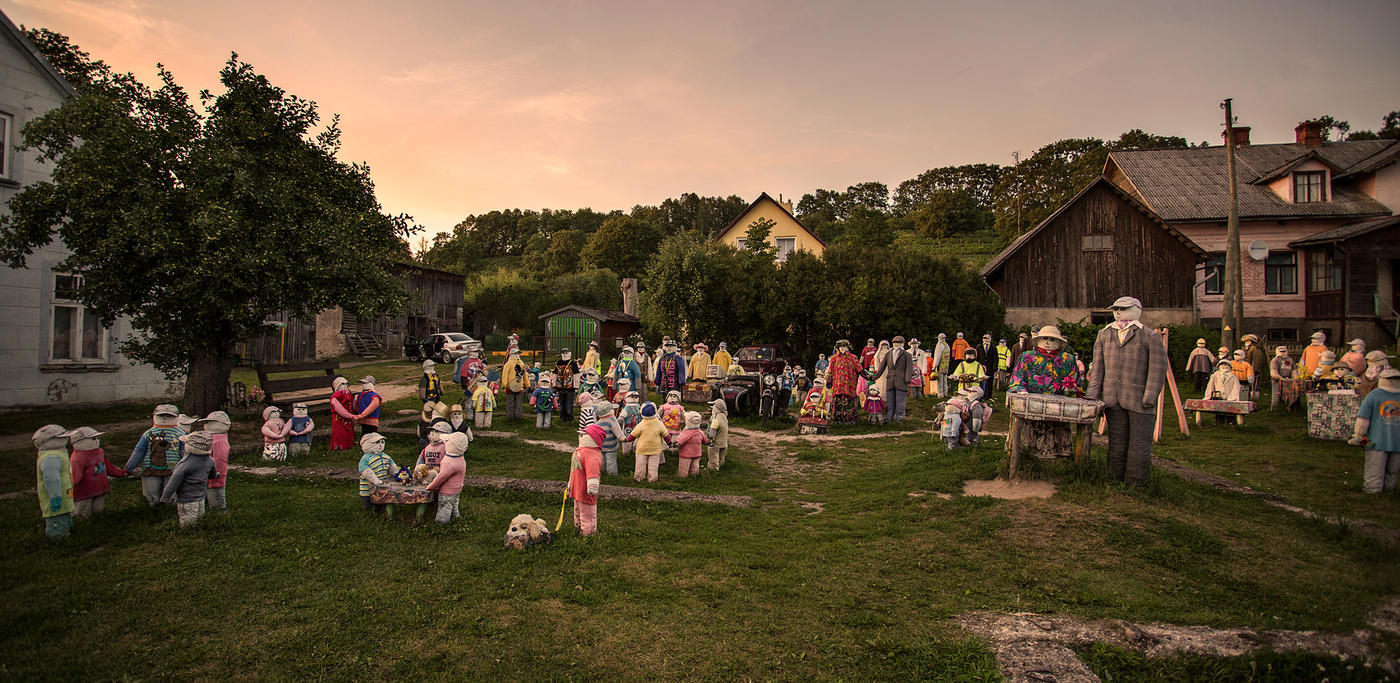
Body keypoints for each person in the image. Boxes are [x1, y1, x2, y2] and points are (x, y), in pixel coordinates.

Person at [1085, 296, 1167, 486]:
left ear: (1136, 310)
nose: (1118, 313)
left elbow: (1157, 369)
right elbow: (1097, 369)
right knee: (1116, 443)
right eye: (1116, 309)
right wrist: (1092, 396)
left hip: (1139, 400)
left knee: (1139, 445)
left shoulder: (1149, 336)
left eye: (1123, 309)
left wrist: (1150, 396)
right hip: (1113, 400)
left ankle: (1136, 484)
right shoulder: (1104, 334)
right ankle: (1113, 480)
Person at [1350, 367, 1400, 494]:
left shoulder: (1374, 395)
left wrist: (1359, 435)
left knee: (1374, 467)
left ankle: (1373, 489)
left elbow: (1363, 418)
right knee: (1392, 470)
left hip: (1377, 440)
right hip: (1397, 442)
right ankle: (1389, 489)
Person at [125, 404, 184, 506]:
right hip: (154, 468)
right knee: (154, 490)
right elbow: (138, 451)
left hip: (171, 469)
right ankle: (154, 504)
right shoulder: (180, 433)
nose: (165, 418)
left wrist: (129, 468)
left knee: (168, 489)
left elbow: (138, 451)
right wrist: (130, 467)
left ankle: (165, 505)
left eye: (169, 416)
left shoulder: (180, 434)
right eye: (162, 416)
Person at [160, 432, 219, 528]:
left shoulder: (184, 464)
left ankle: (188, 538)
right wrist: (216, 475)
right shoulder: (210, 460)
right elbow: (212, 475)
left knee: (188, 524)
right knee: (200, 520)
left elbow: (173, 484)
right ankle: (201, 536)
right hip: (201, 497)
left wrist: (164, 498)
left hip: (187, 499)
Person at [68, 427, 125, 518]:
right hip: (84, 493)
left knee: (98, 512)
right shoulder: (77, 458)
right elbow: (74, 478)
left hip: (100, 488)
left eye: (98, 438)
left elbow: (108, 467)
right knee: (82, 514)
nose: (96, 440)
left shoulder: (99, 452)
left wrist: (121, 473)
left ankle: (97, 525)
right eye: (93, 438)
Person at [33, 425, 75, 539]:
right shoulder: (51, 458)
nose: (65, 439)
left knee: (64, 515)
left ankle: (67, 532)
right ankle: (57, 538)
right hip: (57, 496)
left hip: (64, 494)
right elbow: (52, 479)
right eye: (61, 437)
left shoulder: (58, 453)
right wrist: (55, 497)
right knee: (57, 518)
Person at [569, 425, 606, 535]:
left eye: (584, 434)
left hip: (580, 489)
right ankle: (584, 531)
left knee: (582, 511)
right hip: (582, 489)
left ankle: (583, 530)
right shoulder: (588, 454)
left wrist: (570, 484)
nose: (581, 436)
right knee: (585, 512)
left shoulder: (582, 453)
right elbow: (587, 472)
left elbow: (589, 472)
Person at [425, 432, 469, 524]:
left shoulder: (449, 462)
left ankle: (442, 523)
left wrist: (431, 486)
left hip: (447, 491)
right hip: (457, 488)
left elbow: (441, 477)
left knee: (445, 506)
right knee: (454, 504)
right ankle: (456, 518)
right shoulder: (460, 458)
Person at [872, 335, 914, 422]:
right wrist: (875, 376)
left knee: (900, 403)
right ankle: (889, 419)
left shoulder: (907, 355)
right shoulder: (889, 354)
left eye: (899, 343)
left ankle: (900, 419)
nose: (896, 345)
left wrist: (907, 380)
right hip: (890, 381)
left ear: (902, 344)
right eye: (895, 343)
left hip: (901, 381)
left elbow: (909, 369)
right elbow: (882, 367)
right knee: (889, 402)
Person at [626, 402, 670, 483]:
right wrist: (669, 442)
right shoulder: (659, 423)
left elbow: (633, 435)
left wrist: (627, 440)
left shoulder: (641, 424)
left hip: (641, 449)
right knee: (653, 466)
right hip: (655, 449)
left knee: (640, 465)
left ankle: (639, 478)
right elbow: (666, 434)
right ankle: (652, 479)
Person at [827, 339, 866, 424]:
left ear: (848, 347)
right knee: (838, 401)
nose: (842, 348)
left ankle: (850, 419)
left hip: (849, 385)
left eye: (844, 346)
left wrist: (867, 376)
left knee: (849, 401)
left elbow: (860, 369)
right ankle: (837, 420)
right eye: (840, 346)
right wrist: (829, 379)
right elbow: (831, 370)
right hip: (838, 385)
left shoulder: (853, 357)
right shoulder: (834, 358)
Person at [357, 432, 398, 512]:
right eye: (377, 442)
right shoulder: (366, 458)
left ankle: (380, 510)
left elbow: (393, 468)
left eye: (382, 442)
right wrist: (375, 480)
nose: (380, 445)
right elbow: (365, 471)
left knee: (382, 502)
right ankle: (369, 513)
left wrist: (398, 475)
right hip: (368, 488)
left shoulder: (386, 457)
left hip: (383, 486)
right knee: (368, 504)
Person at [201, 411, 232, 511]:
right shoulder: (217, 439)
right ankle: (216, 510)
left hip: (210, 473)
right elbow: (218, 458)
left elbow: (219, 458)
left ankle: (215, 511)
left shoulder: (215, 439)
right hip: (211, 473)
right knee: (213, 490)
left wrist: (214, 472)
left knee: (212, 491)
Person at [329, 376, 357, 451]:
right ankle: (339, 446)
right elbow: (338, 408)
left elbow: (352, 402)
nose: (344, 386)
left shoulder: (349, 393)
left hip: (349, 417)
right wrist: (350, 416)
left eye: (346, 384)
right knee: (340, 432)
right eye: (342, 384)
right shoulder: (335, 396)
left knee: (348, 431)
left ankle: (349, 444)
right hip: (339, 418)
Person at [707, 399, 729, 471]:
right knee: (721, 457)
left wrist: (710, 438)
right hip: (724, 441)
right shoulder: (724, 417)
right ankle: (721, 466)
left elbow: (713, 429)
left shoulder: (716, 419)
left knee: (713, 456)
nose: (712, 407)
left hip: (716, 442)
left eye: (714, 405)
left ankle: (713, 469)